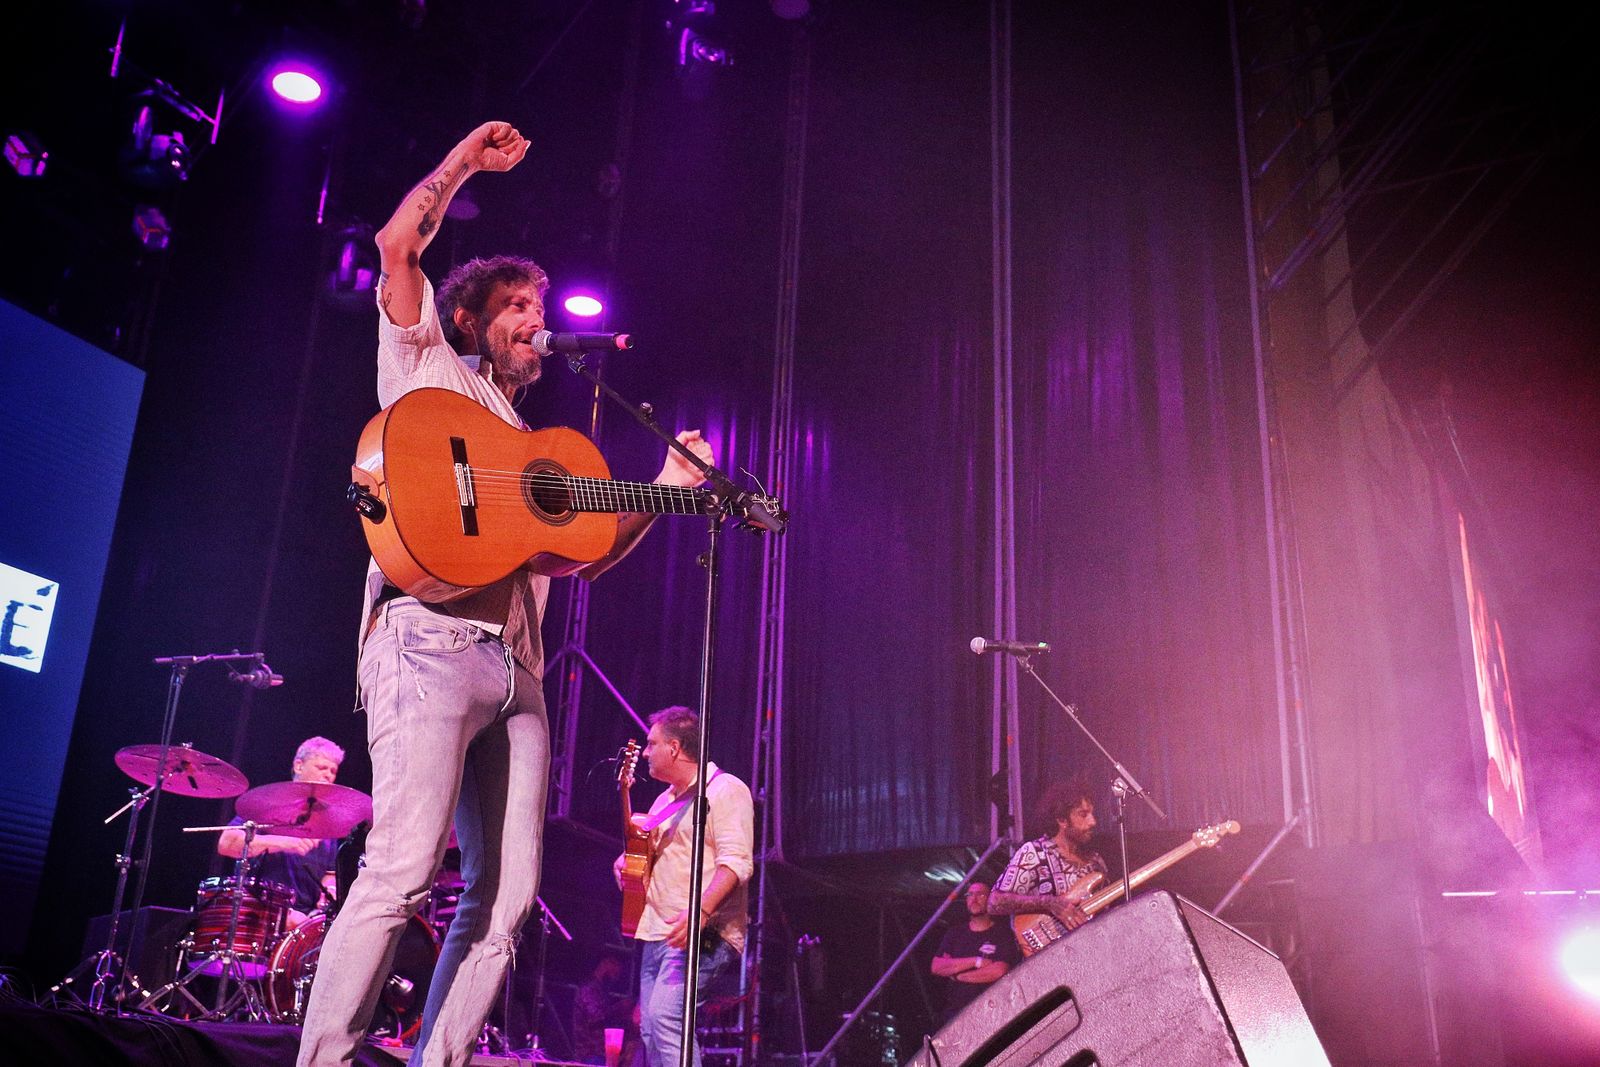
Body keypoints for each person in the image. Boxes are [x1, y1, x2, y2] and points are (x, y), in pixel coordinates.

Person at [296, 121, 713, 1067]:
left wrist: (670, 493)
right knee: (402, 868)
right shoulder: (427, 371)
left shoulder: (529, 452)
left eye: (544, 303)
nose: (538, 315)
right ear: (475, 316)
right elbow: (398, 245)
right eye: (520, 303)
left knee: (508, 898)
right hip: (427, 641)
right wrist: (460, 166)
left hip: (516, 670)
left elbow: (585, 559)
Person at [614, 706, 753, 1067]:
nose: (645, 752)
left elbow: (737, 864)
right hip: (659, 933)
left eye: (651, 744)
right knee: (650, 1031)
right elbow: (657, 857)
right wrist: (627, 862)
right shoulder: (664, 801)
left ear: (674, 748)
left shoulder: (724, 790)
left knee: (665, 1018)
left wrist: (701, 911)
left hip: (704, 930)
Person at [217, 736, 345, 926]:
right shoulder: (269, 804)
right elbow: (226, 843)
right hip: (260, 908)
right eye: (321, 768)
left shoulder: (328, 823)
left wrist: (330, 890)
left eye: (333, 771)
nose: (328, 775)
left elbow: (330, 873)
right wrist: (283, 842)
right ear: (299, 766)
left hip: (307, 919)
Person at [985, 779, 1109, 941]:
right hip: (1045, 954)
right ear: (1062, 820)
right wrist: (1050, 903)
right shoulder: (1035, 853)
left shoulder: (1095, 861)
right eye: (1083, 814)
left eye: (1092, 814)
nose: (1093, 821)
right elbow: (995, 902)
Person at [929, 881, 1021, 1025]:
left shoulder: (1002, 933)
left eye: (980, 894)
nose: (974, 898)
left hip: (992, 1011)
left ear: (989, 899)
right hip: (956, 1013)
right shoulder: (955, 933)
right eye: (970, 894)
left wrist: (959, 976)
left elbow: (999, 970)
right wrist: (976, 961)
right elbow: (937, 966)